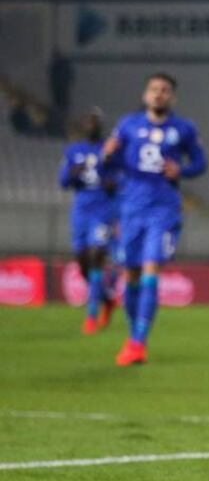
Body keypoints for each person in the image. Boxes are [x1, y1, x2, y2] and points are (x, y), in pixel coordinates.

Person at [102, 73, 207, 366]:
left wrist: (182, 171)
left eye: (165, 90)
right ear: (145, 95)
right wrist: (108, 155)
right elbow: (112, 161)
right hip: (132, 207)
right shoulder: (128, 124)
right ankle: (134, 336)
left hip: (164, 209)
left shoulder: (183, 129)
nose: (159, 94)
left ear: (172, 97)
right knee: (132, 274)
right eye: (154, 89)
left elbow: (200, 162)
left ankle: (138, 342)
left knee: (150, 269)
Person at [58, 108, 120, 334]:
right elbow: (63, 181)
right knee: (82, 262)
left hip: (103, 211)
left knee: (96, 257)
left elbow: (122, 177)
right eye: (88, 121)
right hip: (81, 211)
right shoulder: (74, 150)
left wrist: (114, 183)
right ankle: (107, 299)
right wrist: (72, 173)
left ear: (101, 125)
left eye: (95, 121)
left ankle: (91, 317)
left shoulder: (110, 150)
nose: (91, 124)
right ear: (83, 126)